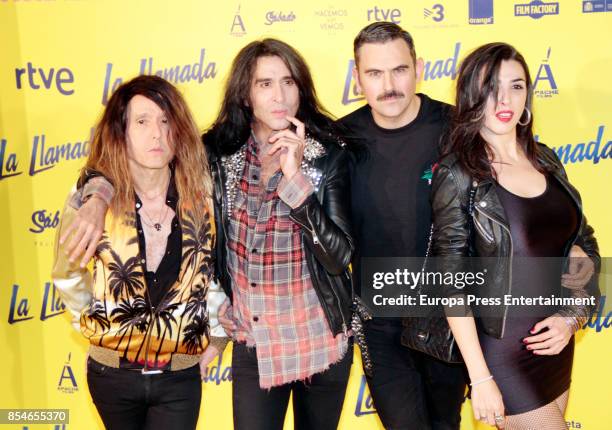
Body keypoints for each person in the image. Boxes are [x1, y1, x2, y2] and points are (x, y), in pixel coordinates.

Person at [63, 39, 355, 430]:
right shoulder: (217, 156)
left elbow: (337, 258)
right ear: (246, 96)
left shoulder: (327, 157)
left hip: (321, 338)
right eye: (264, 84)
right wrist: (97, 194)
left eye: (288, 82)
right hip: (256, 340)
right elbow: (130, 163)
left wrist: (296, 179)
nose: (280, 96)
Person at [431, 42, 599, 429]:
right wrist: (481, 377)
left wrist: (572, 316)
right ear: (473, 96)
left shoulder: (547, 160)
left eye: (516, 86)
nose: (505, 99)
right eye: (491, 87)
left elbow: (583, 244)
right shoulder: (458, 174)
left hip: (555, 342)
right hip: (504, 356)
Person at [52, 75, 228, 430]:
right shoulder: (91, 199)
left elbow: (211, 272)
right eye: (143, 122)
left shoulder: (203, 196)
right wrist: (96, 322)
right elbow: (67, 273)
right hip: (112, 376)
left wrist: (219, 337)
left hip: (179, 377)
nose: (157, 134)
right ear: (122, 132)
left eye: (166, 122)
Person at [340, 22, 466, 430]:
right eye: (374, 73)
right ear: (357, 78)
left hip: (448, 315)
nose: (388, 85)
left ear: (419, 68)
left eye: (399, 70)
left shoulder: (457, 130)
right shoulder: (341, 141)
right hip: (378, 321)